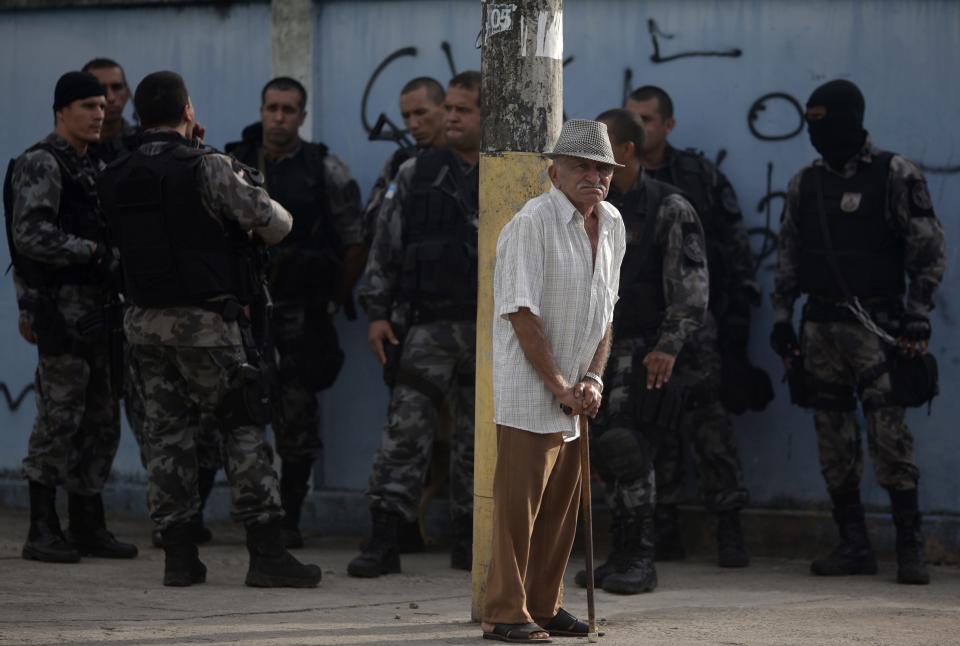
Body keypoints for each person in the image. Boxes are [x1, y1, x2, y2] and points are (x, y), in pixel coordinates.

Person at [97, 70, 321, 588]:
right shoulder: (208, 166)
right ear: (188, 111)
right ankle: (266, 553)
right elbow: (277, 225)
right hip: (207, 325)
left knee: (167, 436)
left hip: (143, 323)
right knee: (241, 427)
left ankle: (179, 556)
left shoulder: (115, 172)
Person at [771, 79, 945, 585]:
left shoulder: (895, 174)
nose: (815, 130)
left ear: (850, 116)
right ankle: (854, 545)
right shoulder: (806, 183)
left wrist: (917, 312)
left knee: (890, 438)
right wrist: (782, 321)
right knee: (833, 439)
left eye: (824, 118)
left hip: (880, 329)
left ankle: (910, 547)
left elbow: (928, 250)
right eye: (810, 120)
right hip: (821, 328)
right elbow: (788, 256)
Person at [480, 119, 625, 642]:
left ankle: (543, 604)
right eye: (581, 167)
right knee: (519, 510)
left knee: (563, 510)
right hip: (531, 390)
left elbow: (605, 311)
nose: (593, 177)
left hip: (575, 393)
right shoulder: (532, 222)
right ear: (554, 172)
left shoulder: (611, 223)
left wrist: (592, 378)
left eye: (602, 168)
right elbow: (521, 313)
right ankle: (504, 611)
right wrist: (559, 384)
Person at [82, 57, 220, 549]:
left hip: (141, 311)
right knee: (97, 423)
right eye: (99, 93)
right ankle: (89, 522)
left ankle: (176, 527)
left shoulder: (136, 156)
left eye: (117, 89)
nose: (108, 101)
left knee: (163, 427)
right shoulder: (87, 159)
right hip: (109, 309)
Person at [626, 85, 766, 565]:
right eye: (632, 118)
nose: (639, 126)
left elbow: (734, 247)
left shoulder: (697, 178)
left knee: (710, 429)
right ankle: (661, 530)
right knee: (651, 427)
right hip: (644, 327)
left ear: (668, 125)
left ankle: (728, 527)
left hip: (698, 327)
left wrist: (737, 323)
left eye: (647, 118)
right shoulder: (616, 183)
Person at [350, 71, 481, 577]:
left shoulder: (513, 173)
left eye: (463, 109)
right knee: (405, 431)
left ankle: (472, 539)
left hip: (491, 331)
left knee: (479, 439)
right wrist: (378, 314)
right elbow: (386, 247)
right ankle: (385, 537)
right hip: (427, 327)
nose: (451, 117)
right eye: (447, 107)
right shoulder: (416, 172)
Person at [573, 109, 708, 595]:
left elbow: (690, 292)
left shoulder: (669, 207)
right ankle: (619, 552)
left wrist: (668, 348)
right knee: (603, 454)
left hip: (647, 353)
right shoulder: (592, 207)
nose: (591, 164)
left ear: (626, 152)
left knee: (628, 449)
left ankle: (640, 557)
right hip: (598, 351)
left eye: (602, 151)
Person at [225, 77, 364, 548]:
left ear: (302, 116)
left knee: (297, 420)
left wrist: (330, 297)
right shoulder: (231, 165)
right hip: (242, 317)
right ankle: (245, 515)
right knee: (231, 414)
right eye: (272, 108)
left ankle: (289, 518)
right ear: (261, 110)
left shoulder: (324, 168)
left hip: (301, 316)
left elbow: (353, 242)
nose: (279, 117)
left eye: (289, 109)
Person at [5, 71, 137, 563]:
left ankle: (87, 523)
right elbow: (30, 235)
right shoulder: (42, 162)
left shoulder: (92, 163)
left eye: (102, 106)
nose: (99, 114)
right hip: (61, 310)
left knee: (102, 420)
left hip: (101, 312)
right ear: (62, 110)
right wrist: (93, 252)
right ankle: (41, 527)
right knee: (59, 419)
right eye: (87, 106)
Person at [363, 76, 447, 247]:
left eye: (420, 112)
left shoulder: (466, 158)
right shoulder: (400, 162)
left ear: (444, 109)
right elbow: (371, 227)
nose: (413, 124)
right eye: (406, 116)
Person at [81, 58, 140, 165]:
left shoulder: (144, 145)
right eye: (101, 88)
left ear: (127, 94)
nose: (111, 97)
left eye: (117, 87)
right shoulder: (69, 149)